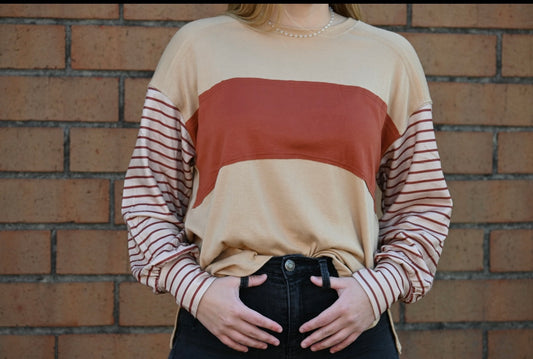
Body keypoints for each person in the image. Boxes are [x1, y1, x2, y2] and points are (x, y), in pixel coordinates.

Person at [122, 4, 453, 358]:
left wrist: (377, 292)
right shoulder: (196, 47)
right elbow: (149, 193)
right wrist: (196, 292)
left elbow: (421, 204)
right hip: (223, 322)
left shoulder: (389, 57)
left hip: (348, 322)